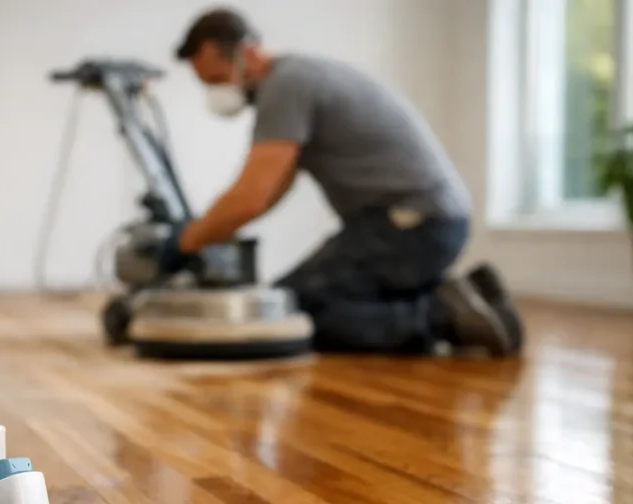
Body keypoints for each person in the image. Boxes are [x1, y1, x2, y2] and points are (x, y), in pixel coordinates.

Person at [160, 8, 523, 355]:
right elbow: (270, 190)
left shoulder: (285, 87)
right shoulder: (301, 78)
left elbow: (250, 197)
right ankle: (471, 294)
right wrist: (210, 232)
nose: (217, 93)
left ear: (248, 53)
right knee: (299, 298)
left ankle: (445, 318)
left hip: (412, 225)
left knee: (292, 310)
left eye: (218, 80)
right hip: (423, 222)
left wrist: (185, 242)